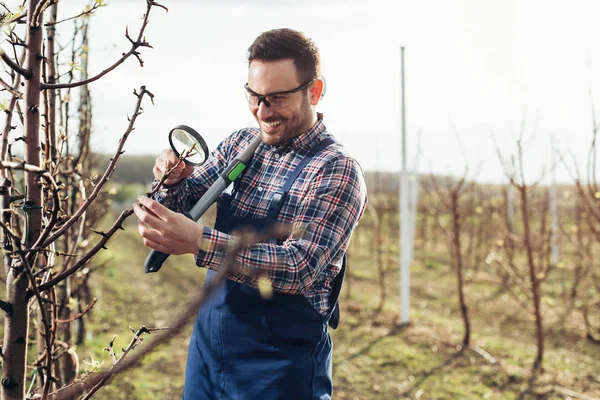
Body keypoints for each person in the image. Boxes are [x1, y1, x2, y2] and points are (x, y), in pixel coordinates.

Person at [132, 28, 367, 400]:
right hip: (211, 350)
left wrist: (198, 241)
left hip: (278, 364)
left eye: (276, 98)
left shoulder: (335, 169)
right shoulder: (241, 144)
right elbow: (189, 200)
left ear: (314, 91)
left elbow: (298, 267)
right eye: (254, 96)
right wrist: (172, 181)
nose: (262, 110)